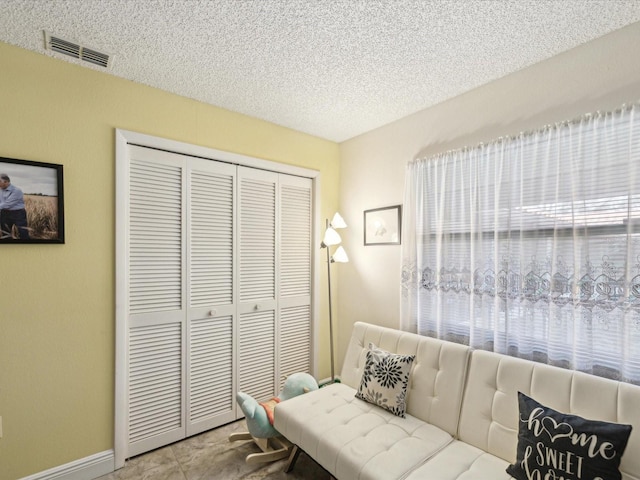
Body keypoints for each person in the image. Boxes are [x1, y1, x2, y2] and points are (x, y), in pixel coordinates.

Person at [0, 173, 30, 239]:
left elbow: (7, 204)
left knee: (23, 232)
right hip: (4, 213)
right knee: (5, 233)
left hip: (18, 214)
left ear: (6, 181)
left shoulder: (16, 191)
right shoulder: (0, 190)